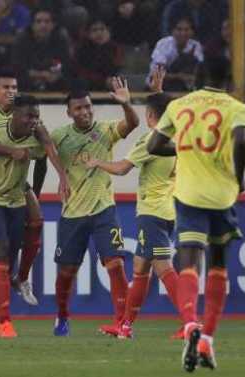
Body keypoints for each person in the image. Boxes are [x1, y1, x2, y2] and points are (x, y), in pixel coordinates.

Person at [147, 59, 245, 372]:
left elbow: (154, 144)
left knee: (188, 262)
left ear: (195, 79)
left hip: (188, 194)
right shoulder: (236, 107)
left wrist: (183, 150)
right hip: (221, 195)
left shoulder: (179, 105)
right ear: (229, 82)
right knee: (218, 263)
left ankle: (190, 323)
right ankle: (207, 338)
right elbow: (242, 139)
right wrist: (240, 176)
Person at [84, 68, 181, 339]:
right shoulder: (178, 133)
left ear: (149, 116)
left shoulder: (150, 139)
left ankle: (190, 322)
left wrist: (97, 162)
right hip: (167, 209)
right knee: (140, 268)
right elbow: (164, 112)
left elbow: (123, 168)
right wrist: (158, 92)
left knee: (163, 268)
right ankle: (125, 326)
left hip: (152, 211)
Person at [50, 77, 139, 337]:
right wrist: (61, 176)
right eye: (78, 108)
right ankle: (63, 315)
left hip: (104, 210)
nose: (85, 112)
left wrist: (126, 104)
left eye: (88, 106)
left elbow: (132, 124)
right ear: (69, 112)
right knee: (66, 272)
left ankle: (123, 323)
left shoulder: (105, 130)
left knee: (116, 265)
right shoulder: (60, 137)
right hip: (73, 214)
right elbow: (42, 151)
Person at [0, 94, 48, 338]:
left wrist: (37, 193)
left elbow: (43, 160)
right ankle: (4, 321)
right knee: (0, 253)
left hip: (18, 200)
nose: (33, 121)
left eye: (36, 117)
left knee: (6, 265)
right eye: (29, 116)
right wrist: (10, 151)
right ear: (13, 114)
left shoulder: (36, 137)